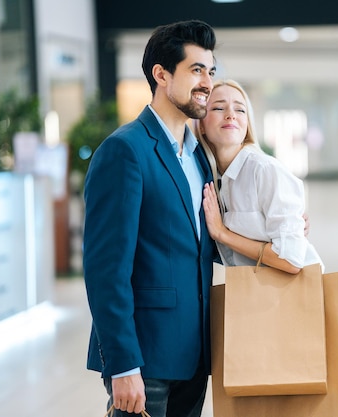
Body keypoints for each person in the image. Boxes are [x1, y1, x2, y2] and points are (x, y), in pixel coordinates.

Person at [82, 20, 218, 417]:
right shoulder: (125, 151)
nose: (207, 82)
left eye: (211, 71)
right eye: (196, 70)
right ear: (161, 74)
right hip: (144, 359)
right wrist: (122, 363)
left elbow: (201, 244)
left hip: (194, 356)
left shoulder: (197, 156)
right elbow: (106, 269)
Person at [196, 79, 323, 273]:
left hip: (295, 297)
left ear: (247, 123)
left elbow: (291, 260)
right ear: (201, 125)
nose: (231, 115)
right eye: (219, 108)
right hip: (256, 294)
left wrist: (222, 233)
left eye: (240, 110)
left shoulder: (263, 169)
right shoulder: (211, 179)